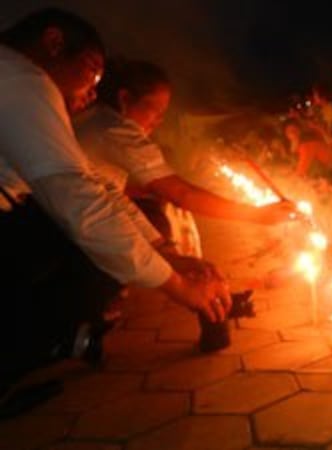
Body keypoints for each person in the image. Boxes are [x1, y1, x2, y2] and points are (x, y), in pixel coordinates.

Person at [0, 9, 231, 406]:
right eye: (90, 73)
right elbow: (80, 201)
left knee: (104, 238)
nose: (90, 90)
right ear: (54, 43)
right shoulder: (21, 78)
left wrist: (167, 256)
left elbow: (97, 189)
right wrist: (178, 287)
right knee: (93, 250)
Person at [74, 58, 296, 242]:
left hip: (65, 220)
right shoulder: (119, 131)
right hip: (73, 233)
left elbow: (95, 183)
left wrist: (138, 192)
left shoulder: (95, 117)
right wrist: (257, 215)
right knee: (159, 226)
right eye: (157, 111)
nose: (159, 121)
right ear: (125, 98)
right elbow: (183, 195)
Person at [282, 118, 332, 182]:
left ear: (300, 130)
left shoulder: (307, 144)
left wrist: (293, 179)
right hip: (327, 173)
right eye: (289, 132)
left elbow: (302, 167)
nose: (292, 134)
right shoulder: (296, 145)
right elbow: (298, 164)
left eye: (294, 130)